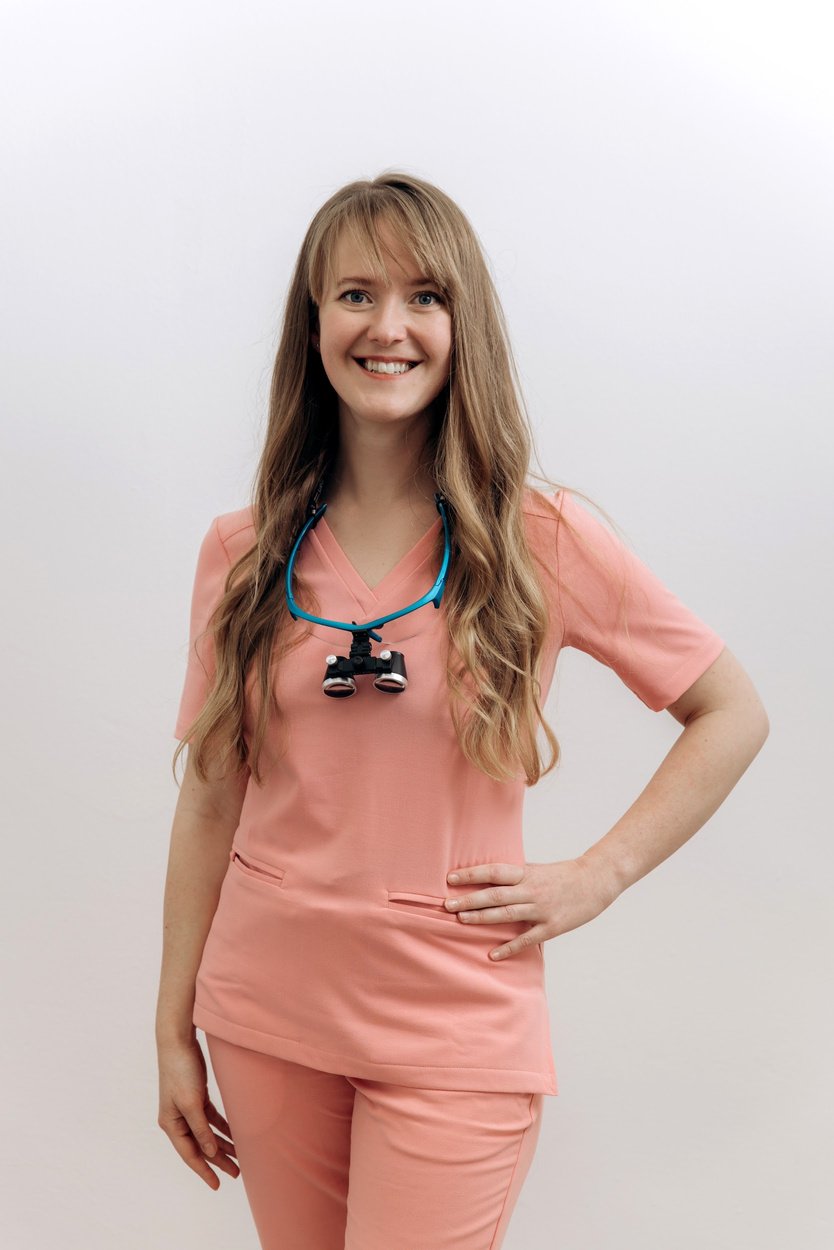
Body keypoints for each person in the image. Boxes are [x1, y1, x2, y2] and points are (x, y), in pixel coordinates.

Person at [155, 171, 769, 1250]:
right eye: (356, 294)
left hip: (456, 1023)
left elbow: (731, 711)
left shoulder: (542, 540)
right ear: (313, 322)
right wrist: (171, 1024)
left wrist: (599, 874)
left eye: (425, 296)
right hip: (266, 1012)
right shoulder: (241, 552)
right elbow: (211, 797)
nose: (387, 327)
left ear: (461, 324)